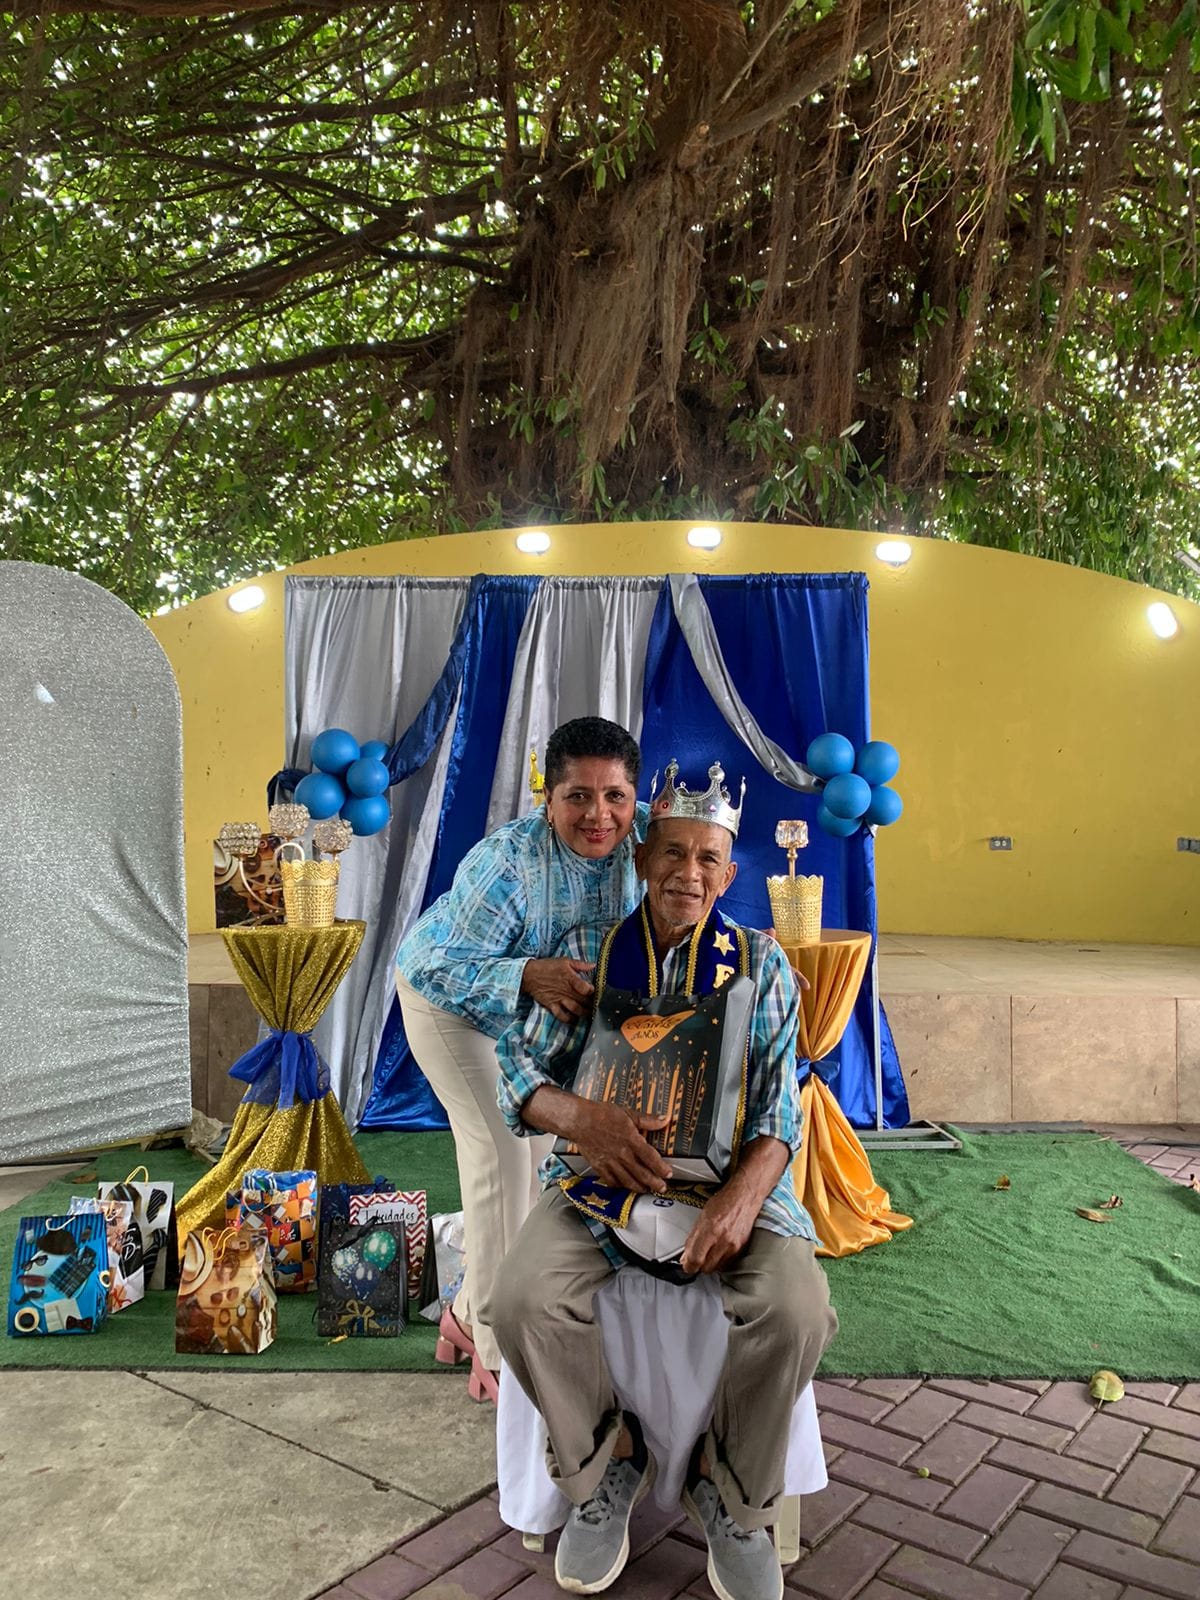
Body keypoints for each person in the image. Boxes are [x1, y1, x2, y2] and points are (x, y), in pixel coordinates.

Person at [487, 760, 837, 1600]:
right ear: (642, 857)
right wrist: (585, 1121)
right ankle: (605, 1464)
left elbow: (778, 1111)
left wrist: (741, 1200)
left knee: (796, 1308)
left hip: (727, 1189)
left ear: (730, 872)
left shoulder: (761, 964)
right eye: (673, 852)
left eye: (708, 858)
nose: (689, 873)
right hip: (600, 1190)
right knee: (519, 1300)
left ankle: (734, 1494)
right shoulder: (589, 956)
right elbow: (518, 1072)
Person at [394, 716, 647, 1402]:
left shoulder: (648, 840)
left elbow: (698, 890)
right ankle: (505, 1356)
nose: (599, 815)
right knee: (503, 1154)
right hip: (448, 1003)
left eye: (615, 796)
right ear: (548, 798)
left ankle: (462, 1314)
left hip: (528, 1020)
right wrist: (527, 974)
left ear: (635, 796)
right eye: (578, 796)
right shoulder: (506, 863)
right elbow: (441, 967)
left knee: (539, 1169)